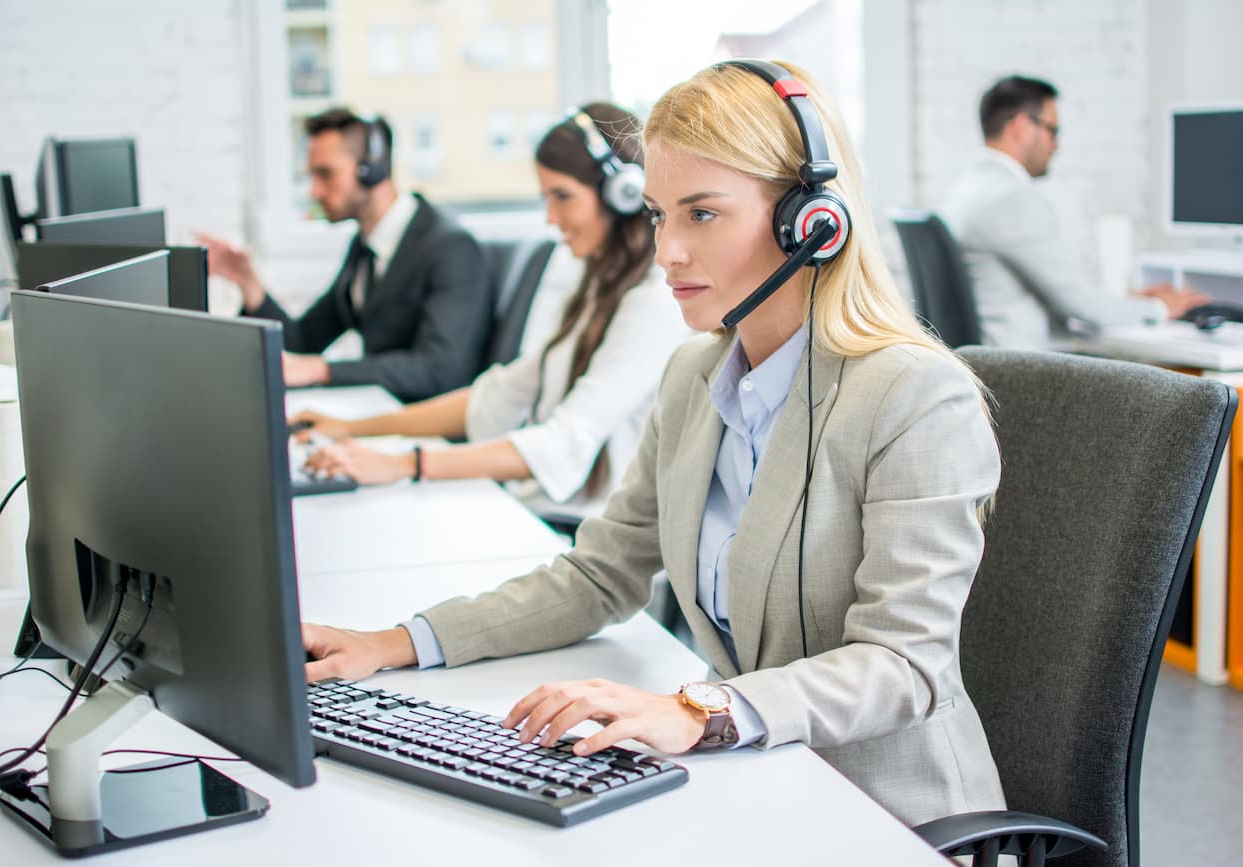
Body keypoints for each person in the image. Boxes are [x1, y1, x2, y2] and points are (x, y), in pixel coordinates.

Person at [301, 60, 1007, 828]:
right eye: (659, 214)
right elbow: (599, 576)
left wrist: (702, 708)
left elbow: (905, 664)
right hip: (750, 786)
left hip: (886, 816)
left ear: (810, 222)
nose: (666, 250)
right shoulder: (694, 377)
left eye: (701, 214)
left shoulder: (911, 396)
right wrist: (397, 643)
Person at [295, 103, 685, 523]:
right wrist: (351, 428)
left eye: (562, 197)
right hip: (545, 512)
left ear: (623, 194)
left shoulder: (654, 302)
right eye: (546, 199)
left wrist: (404, 464)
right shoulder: (600, 290)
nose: (551, 219)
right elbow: (495, 397)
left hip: (584, 530)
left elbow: (564, 441)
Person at [195, 109, 490, 398]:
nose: (315, 192)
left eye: (326, 174)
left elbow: (438, 370)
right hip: (380, 410)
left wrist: (323, 370)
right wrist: (247, 281)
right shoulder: (366, 248)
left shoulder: (449, 248)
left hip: (420, 425)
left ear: (372, 170)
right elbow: (303, 341)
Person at [940, 75, 1207, 348]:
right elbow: (1082, 307)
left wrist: (1131, 301)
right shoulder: (1010, 199)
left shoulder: (967, 190)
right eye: (1052, 130)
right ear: (1020, 127)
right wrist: (1159, 308)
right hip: (1024, 369)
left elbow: (1066, 295)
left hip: (994, 364)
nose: (1056, 145)